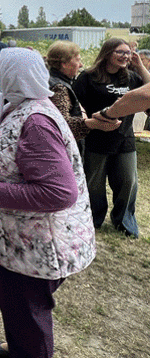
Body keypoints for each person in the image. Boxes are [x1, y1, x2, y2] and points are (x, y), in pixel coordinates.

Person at [0, 48, 95, 358]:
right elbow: (12, 150)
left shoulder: (37, 122)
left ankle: (28, 355)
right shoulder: (20, 105)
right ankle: (18, 349)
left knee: (29, 314)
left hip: (39, 247)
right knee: (17, 307)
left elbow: (60, 193)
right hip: (20, 242)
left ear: (10, 76)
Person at [73, 38, 150, 238]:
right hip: (96, 140)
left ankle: (124, 221)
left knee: (128, 182)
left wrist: (140, 66)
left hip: (125, 139)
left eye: (128, 53)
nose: (125, 56)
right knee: (94, 185)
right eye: (120, 52)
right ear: (107, 53)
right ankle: (93, 219)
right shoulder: (89, 77)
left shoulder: (132, 78)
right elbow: (76, 106)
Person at [45, 40, 121, 144]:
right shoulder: (59, 88)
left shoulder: (48, 79)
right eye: (77, 60)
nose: (81, 65)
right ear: (64, 64)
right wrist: (93, 124)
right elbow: (62, 124)